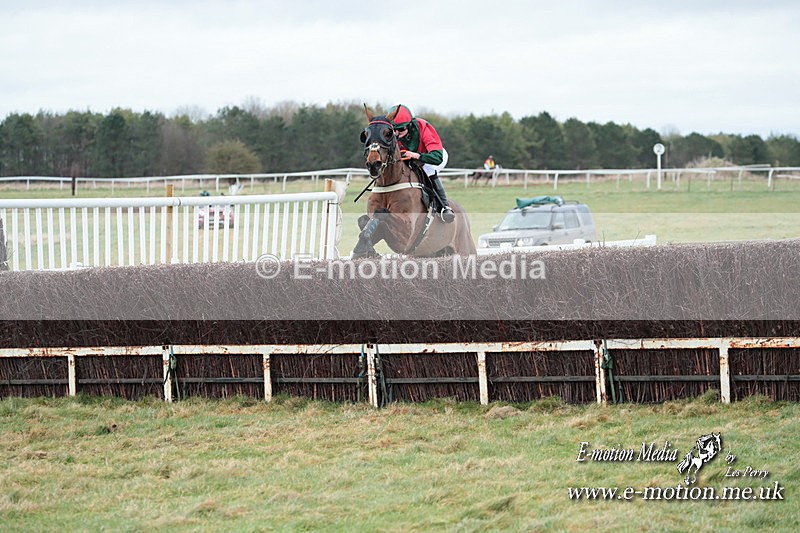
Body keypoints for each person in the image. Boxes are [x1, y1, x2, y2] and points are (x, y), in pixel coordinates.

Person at [389, 104, 455, 223]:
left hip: (433, 157)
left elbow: (437, 157)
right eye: (394, 130)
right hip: (412, 159)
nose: (397, 133)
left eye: (401, 129)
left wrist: (417, 156)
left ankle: (444, 207)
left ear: (409, 125)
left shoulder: (422, 126)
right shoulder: (392, 133)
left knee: (428, 170)